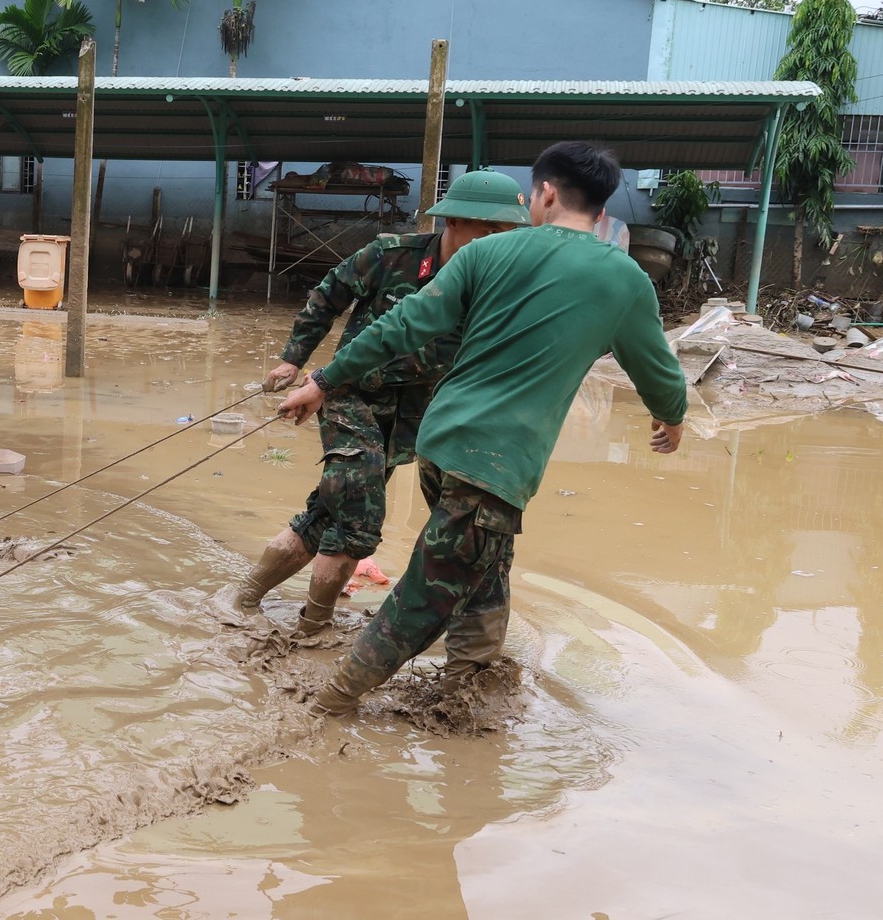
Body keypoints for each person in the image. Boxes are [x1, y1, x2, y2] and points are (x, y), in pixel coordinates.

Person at [276, 142, 690, 717]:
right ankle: (326, 705)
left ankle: (470, 683)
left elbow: (400, 327)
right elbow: (662, 376)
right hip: (498, 463)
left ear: (545, 193)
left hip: (439, 445)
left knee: (485, 563)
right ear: (602, 208)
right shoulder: (625, 280)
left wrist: (321, 379)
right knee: (430, 592)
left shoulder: (486, 254)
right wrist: (670, 421)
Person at [211, 171, 530, 683]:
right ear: (453, 221)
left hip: (416, 415)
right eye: (487, 231)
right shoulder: (391, 254)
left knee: (326, 510)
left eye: (506, 233)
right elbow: (326, 297)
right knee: (359, 515)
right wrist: (294, 361)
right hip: (348, 394)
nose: (497, 244)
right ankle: (313, 628)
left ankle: (242, 597)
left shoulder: (497, 283)